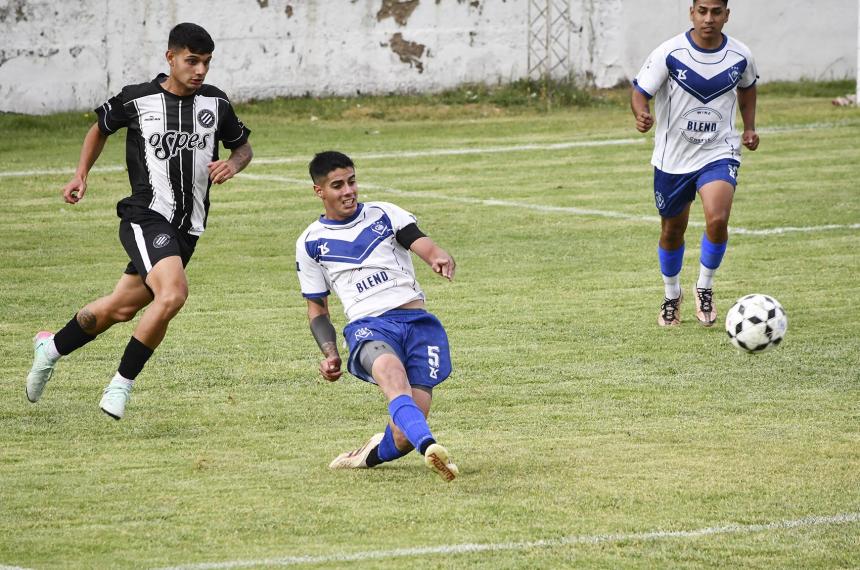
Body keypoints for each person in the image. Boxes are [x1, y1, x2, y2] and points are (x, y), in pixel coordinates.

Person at [26, 23, 253, 419]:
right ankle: (120, 385)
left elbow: (242, 146)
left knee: (118, 309)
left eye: (207, 63)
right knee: (173, 294)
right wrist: (81, 174)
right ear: (171, 58)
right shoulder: (138, 98)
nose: (200, 71)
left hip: (188, 228)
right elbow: (98, 130)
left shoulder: (216, 103)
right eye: (192, 61)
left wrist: (233, 163)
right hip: (144, 216)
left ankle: (52, 348)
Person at [295, 151, 459, 482]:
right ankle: (431, 447)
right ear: (319, 191)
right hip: (369, 329)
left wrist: (437, 256)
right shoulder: (311, 242)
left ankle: (368, 456)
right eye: (337, 185)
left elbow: (419, 242)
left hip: (418, 326)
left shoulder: (384, 214)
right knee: (393, 378)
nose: (348, 191)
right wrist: (329, 352)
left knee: (402, 435)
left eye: (352, 182)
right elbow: (317, 309)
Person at [630, 0, 759, 327]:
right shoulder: (670, 53)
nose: (709, 18)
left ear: (726, 15)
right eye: (702, 11)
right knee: (672, 230)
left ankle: (705, 287)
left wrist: (750, 127)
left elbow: (748, 88)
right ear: (692, 13)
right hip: (673, 158)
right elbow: (639, 90)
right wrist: (641, 113)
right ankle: (672, 294)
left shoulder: (740, 56)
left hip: (719, 151)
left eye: (716, 12)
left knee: (718, 219)